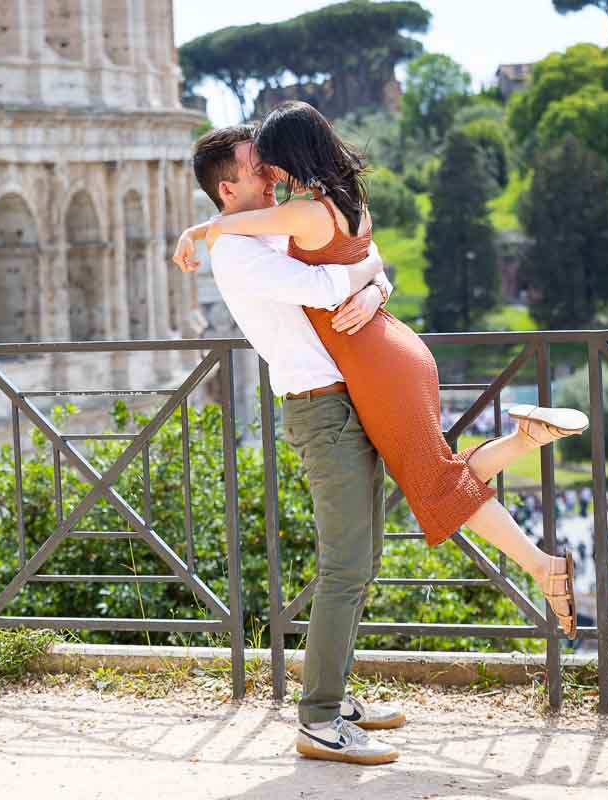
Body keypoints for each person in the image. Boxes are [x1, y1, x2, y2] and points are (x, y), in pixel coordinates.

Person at [174, 101, 587, 659]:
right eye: (258, 167)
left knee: (432, 486)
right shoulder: (340, 201)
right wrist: (372, 282)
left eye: (272, 161)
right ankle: (523, 449)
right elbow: (362, 255)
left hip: (374, 364)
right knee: (433, 479)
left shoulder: (293, 215)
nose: (270, 172)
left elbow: (330, 276)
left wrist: (200, 230)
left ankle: (542, 564)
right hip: (385, 354)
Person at [188, 124, 403, 766]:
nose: (275, 170)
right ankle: (317, 719)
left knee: (362, 558)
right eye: (260, 167)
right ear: (229, 187)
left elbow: (344, 258)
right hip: (320, 407)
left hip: (348, 397)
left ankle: (334, 695)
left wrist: (375, 281)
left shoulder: (265, 231)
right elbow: (326, 285)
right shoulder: (238, 252)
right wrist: (370, 268)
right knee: (344, 563)